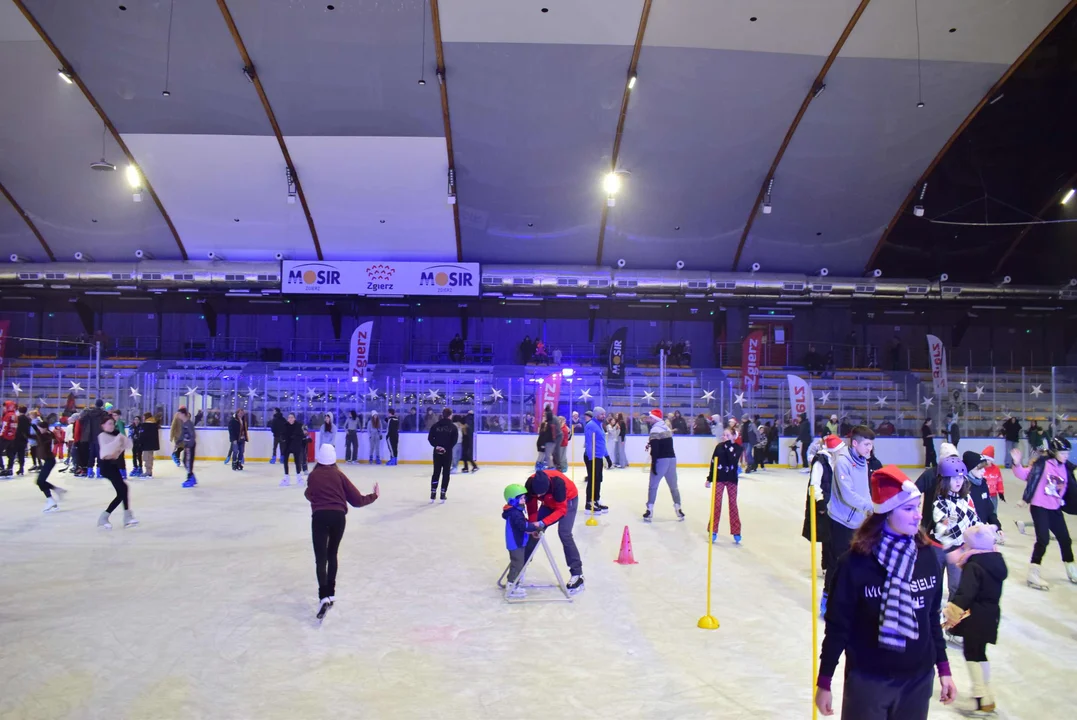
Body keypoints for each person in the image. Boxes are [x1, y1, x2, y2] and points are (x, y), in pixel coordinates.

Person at [815, 465, 957, 718]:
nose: (917, 516)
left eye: (917, 507)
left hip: (917, 680)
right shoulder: (855, 563)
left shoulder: (927, 557)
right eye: (908, 509)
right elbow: (839, 627)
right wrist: (825, 680)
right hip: (869, 680)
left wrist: (944, 669)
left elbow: (931, 619)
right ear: (887, 513)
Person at [304, 443, 379, 618]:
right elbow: (357, 500)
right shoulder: (339, 475)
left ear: (319, 459)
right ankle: (331, 592)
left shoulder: (313, 476)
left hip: (320, 517)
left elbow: (309, 494)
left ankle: (323, 596)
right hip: (338, 517)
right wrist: (374, 496)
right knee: (332, 554)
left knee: (321, 558)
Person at [941, 524, 1006, 715]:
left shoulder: (974, 564)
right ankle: (987, 696)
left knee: (971, 653)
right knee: (980, 653)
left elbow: (965, 593)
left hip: (975, 615)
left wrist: (952, 611)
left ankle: (980, 698)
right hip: (991, 614)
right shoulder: (996, 561)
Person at [822, 425, 875, 616]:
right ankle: (827, 598)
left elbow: (864, 490)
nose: (870, 448)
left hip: (858, 521)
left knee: (857, 562)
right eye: (867, 444)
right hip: (841, 521)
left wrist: (869, 509)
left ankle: (850, 600)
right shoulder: (843, 463)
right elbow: (847, 494)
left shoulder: (863, 461)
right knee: (838, 562)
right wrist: (869, 507)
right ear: (855, 443)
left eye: (871, 444)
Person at [1011, 437, 1075, 590]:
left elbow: (1066, 485)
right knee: (1043, 540)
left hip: (1055, 508)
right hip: (1039, 507)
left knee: (1065, 539)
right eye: (1063, 453)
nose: (1066, 456)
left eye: (1067, 453)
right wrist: (1016, 463)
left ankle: (1071, 568)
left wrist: (1061, 499)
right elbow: (1024, 474)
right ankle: (1034, 572)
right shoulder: (1042, 465)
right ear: (1054, 452)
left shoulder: (1066, 467)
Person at [523, 469, 584, 594]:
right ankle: (520, 566)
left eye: (541, 494)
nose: (538, 496)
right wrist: (534, 524)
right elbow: (532, 506)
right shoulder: (531, 484)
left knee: (564, 533)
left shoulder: (558, 484)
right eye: (537, 494)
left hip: (568, 500)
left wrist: (542, 523)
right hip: (548, 503)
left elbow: (561, 510)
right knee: (532, 530)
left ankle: (578, 574)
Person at [930, 455, 978, 608]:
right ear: (944, 480)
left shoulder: (966, 499)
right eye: (953, 478)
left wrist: (987, 533)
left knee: (956, 587)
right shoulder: (940, 503)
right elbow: (942, 529)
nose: (958, 481)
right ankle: (933, 620)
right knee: (935, 588)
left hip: (958, 550)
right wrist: (952, 549)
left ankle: (953, 622)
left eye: (961, 477)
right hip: (938, 550)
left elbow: (974, 520)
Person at [804, 436, 844, 579]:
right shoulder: (820, 463)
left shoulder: (835, 462)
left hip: (835, 504)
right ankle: (826, 565)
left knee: (835, 536)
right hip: (825, 504)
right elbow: (814, 485)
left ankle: (833, 564)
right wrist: (821, 502)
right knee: (827, 537)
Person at [96, 415, 137, 529]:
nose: (111, 426)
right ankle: (126, 516)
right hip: (105, 466)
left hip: (113, 465)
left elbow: (129, 445)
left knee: (122, 491)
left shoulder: (116, 435)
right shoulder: (102, 436)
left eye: (113, 423)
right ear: (103, 425)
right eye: (109, 423)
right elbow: (105, 451)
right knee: (123, 489)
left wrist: (123, 437)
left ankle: (106, 517)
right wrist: (118, 439)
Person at [642, 409, 683, 522]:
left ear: (654, 419)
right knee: (673, 486)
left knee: (653, 486)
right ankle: (678, 508)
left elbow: (655, 449)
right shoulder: (666, 427)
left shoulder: (655, 429)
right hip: (672, 459)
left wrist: (654, 463)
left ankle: (649, 510)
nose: (648, 419)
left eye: (650, 417)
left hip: (661, 460)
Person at [502, 483, 541, 599]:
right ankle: (512, 585)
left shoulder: (516, 511)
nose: (525, 500)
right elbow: (522, 526)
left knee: (516, 563)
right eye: (522, 498)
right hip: (516, 543)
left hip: (518, 541)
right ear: (513, 499)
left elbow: (522, 525)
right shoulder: (515, 513)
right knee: (518, 564)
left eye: (524, 497)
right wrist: (535, 527)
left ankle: (512, 582)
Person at [708, 428, 743, 544]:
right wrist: (709, 478)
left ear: (734, 436)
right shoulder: (719, 447)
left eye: (727, 435)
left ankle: (736, 531)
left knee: (733, 504)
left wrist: (728, 445)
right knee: (717, 504)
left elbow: (732, 460)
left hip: (732, 479)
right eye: (724, 435)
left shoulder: (738, 448)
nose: (725, 437)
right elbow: (713, 462)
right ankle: (713, 530)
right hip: (719, 478)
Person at [962, 451, 1001, 534]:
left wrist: (997, 527)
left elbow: (989, 509)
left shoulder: (983, 484)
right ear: (970, 468)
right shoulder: (962, 487)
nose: (983, 471)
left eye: (984, 468)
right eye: (979, 468)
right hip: (966, 533)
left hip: (980, 532)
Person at [33, 417, 67, 513]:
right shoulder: (44, 435)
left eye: (40, 428)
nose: (38, 430)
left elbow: (39, 436)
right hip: (48, 461)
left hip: (50, 461)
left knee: (40, 481)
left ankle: (51, 499)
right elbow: (33, 435)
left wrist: (32, 425)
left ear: (44, 429)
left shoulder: (47, 436)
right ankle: (55, 493)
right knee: (40, 481)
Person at [582, 407, 611, 514]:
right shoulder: (590, 425)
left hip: (598, 457)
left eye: (604, 414)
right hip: (591, 457)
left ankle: (596, 500)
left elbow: (601, 443)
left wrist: (607, 456)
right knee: (592, 479)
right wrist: (591, 459)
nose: (604, 416)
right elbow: (589, 443)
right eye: (601, 414)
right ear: (596, 415)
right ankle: (589, 503)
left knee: (598, 479)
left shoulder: (599, 425)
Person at [428, 408, 458, 503]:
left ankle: (433, 492)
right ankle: (443, 493)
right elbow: (454, 441)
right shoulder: (453, 427)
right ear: (450, 415)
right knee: (446, 473)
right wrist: (446, 448)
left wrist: (437, 446)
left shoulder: (435, 426)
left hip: (436, 452)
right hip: (447, 453)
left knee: (436, 472)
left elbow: (430, 438)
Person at [280, 413, 307, 487]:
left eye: (292, 417)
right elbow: (282, 435)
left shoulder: (298, 426)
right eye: (289, 417)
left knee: (297, 461)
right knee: (285, 461)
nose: (290, 419)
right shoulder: (285, 426)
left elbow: (301, 436)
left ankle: (299, 477)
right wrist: (283, 440)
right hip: (287, 446)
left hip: (296, 446)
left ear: (294, 418)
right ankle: (286, 477)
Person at [177, 409, 198, 487]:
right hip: (187, 445)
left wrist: (190, 444)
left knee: (188, 462)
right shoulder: (184, 423)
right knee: (185, 461)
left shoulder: (189, 424)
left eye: (179, 414)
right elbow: (183, 434)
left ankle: (190, 478)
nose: (178, 415)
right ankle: (192, 477)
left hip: (190, 445)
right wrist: (178, 442)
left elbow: (193, 435)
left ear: (183, 414)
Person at [139, 412, 159, 478]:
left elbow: (142, 435)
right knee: (150, 457)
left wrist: (140, 442)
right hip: (152, 445)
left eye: (143, 417)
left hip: (146, 444)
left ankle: (148, 472)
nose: (143, 418)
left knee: (147, 458)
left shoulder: (145, 425)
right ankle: (149, 471)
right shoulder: (154, 424)